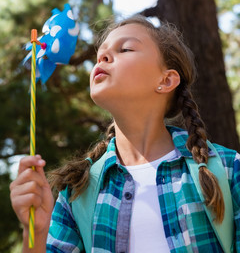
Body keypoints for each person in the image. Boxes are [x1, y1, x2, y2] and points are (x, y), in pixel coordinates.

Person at [10, 15, 240, 253]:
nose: (102, 57)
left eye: (125, 48)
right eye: (101, 53)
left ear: (166, 79)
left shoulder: (227, 168)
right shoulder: (76, 191)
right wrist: (35, 233)